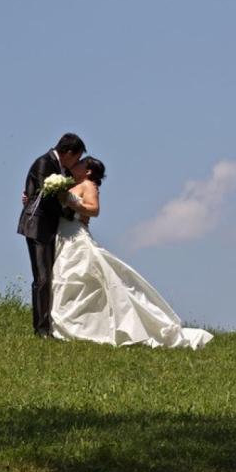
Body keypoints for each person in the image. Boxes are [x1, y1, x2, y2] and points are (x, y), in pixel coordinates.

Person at [50, 156, 213, 349]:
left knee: (79, 277)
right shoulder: (69, 185)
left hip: (77, 238)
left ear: (88, 171)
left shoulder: (88, 185)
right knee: (66, 278)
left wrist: (71, 203)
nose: (74, 166)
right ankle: (72, 323)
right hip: (64, 237)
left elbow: (94, 210)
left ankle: (85, 326)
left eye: (79, 164)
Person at [17, 133, 87, 338]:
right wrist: (71, 214)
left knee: (48, 277)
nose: (76, 162)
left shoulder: (60, 168)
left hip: (49, 226)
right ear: (68, 153)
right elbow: (45, 198)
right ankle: (41, 329)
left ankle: (48, 324)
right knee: (42, 278)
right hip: (37, 226)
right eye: (76, 157)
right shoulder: (44, 163)